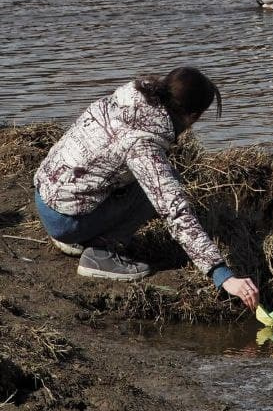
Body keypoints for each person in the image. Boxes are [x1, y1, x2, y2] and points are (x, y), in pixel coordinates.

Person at [33, 67, 260, 310]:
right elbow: (175, 211)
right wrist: (222, 274)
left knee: (142, 177)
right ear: (192, 116)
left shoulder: (126, 100)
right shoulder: (143, 145)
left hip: (45, 198)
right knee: (160, 183)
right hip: (65, 221)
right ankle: (99, 254)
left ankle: (78, 235)